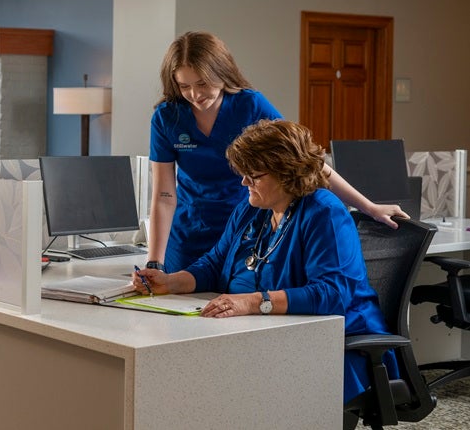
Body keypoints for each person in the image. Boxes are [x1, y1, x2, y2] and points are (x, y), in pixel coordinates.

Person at [135, 119, 398, 403]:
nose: (244, 182)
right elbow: (214, 265)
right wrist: (169, 282)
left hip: (332, 347)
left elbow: (332, 293)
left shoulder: (324, 213)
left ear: (287, 173)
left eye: (254, 175)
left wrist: (250, 302)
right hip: (259, 336)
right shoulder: (252, 209)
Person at [147, 31, 407, 273]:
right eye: (184, 86)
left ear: (221, 71)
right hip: (189, 236)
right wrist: (154, 262)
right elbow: (164, 196)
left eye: (202, 83)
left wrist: (369, 207)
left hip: (245, 231)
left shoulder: (250, 105)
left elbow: (306, 162)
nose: (195, 94)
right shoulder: (167, 118)